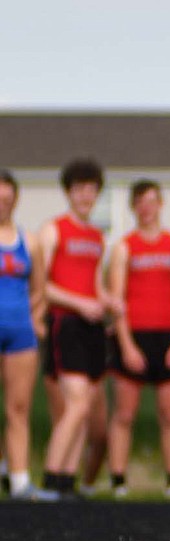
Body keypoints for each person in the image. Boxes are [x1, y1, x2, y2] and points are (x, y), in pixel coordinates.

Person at [38, 157, 123, 498]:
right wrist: (79, 303)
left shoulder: (97, 237)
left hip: (91, 326)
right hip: (66, 323)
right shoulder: (53, 229)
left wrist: (109, 302)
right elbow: (42, 285)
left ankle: (66, 481)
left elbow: (94, 285)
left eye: (91, 189)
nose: (85, 195)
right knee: (74, 403)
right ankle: (48, 477)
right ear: (68, 192)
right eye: (79, 189)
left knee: (86, 406)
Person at [105, 180, 170, 498]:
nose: (146, 207)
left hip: (167, 335)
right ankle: (118, 481)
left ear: (161, 204)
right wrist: (126, 345)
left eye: (151, 201)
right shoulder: (124, 246)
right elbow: (117, 298)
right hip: (135, 334)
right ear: (133, 207)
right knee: (124, 413)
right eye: (140, 202)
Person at [0, 170, 56, 501]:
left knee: (18, 409)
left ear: (15, 200)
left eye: (7, 198)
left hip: (20, 335)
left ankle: (20, 482)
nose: (2, 204)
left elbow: (40, 290)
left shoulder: (29, 240)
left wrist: (32, 318)